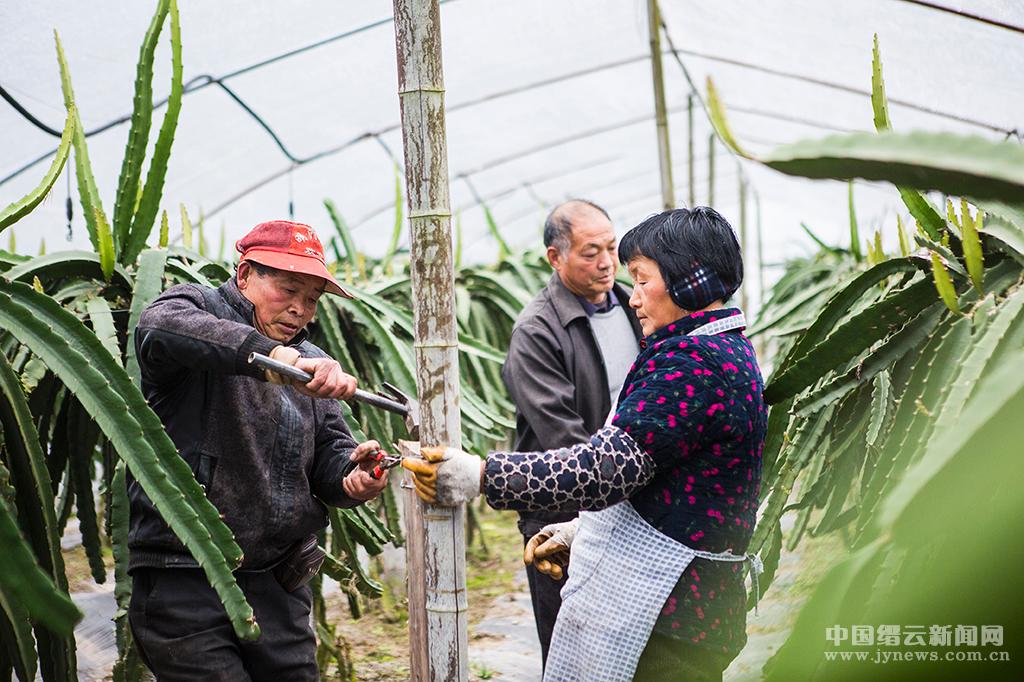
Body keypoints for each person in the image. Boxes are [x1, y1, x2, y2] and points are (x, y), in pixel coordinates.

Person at [404, 207, 767, 681]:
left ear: (689, 280)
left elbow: (606, 469)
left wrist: (480, 476)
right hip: (686, 604)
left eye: (641, 279)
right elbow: (665, 471)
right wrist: (589, 531)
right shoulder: (722, 348)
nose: (633, 297)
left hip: (672, 611)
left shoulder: (693, 361)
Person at [129, 219, 390, 681]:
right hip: (186, 577)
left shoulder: (310, 360)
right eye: (289, 289)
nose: (300, 309)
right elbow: (160, 325)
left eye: (312, 299)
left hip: (277, 585)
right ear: (246, 274)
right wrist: (274, 360)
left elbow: (330, 453)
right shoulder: (196, 308)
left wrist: (352, 477)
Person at [501, 199, 642, 666]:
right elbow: (562, 434)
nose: (606, 262)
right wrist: (621, 480)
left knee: (627, 643)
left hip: (625, 497)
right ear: (555, 257)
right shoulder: (538, 331)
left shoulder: (631, 305)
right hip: (560, 513)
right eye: (589, 252)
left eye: (611, 248)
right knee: (570, 648)